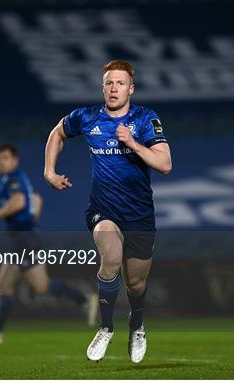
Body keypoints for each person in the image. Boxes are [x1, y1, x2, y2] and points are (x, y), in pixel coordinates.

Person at [44, 60, 172, 363]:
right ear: (103, 87)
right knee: (110, 257)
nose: (114, 89)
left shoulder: (144, 119)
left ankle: (137, 325)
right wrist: (49, 172)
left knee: (136, 283)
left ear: (131, 88)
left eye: (120, 83)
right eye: (109, 83)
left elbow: (165, 164)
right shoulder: (87, 117)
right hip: (103, 209)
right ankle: (105, 327)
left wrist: (133, 143)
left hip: (139, 215)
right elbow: (57, 134)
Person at [0, 143, 98, 345]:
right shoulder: (19, 179)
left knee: (13, 285)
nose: (0, 162)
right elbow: (34, 203)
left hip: (24, 242)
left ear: (15, 160)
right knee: (25, 285)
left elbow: (19, 202)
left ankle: (84, 299)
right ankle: (84, 300)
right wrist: (32, 214)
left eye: (4, 157)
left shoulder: (12, 180)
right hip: (25, 239)